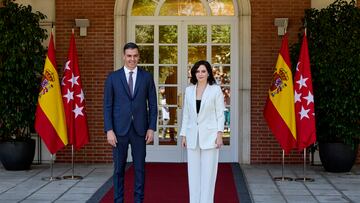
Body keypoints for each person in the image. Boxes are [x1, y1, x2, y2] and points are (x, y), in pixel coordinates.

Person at [103, 42, 157, 203]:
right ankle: (118, 200)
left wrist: (151, 128)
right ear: (123, 56)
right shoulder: (113, 77)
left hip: (140, 130)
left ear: (138, 57)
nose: (132, 59)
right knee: (119, 169)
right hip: (119, 131)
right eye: (129, 56)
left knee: (140, 169)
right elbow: (107, 106)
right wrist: (109, 130)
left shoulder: (146, 77)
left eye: (135, 56)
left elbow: (153, 104)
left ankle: (138, 200)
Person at [180, 60, 225, 203]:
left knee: (208, 174)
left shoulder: (215, 90)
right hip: (192, 136)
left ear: (208, 73)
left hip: (210, 137)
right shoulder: (189, 90)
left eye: (203, 71)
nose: (200, 74)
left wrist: (219, 134)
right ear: (194, 73)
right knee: (193, 175)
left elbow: (220, 114)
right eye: (197, 71)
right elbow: (186, 114)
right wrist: (184, 135)